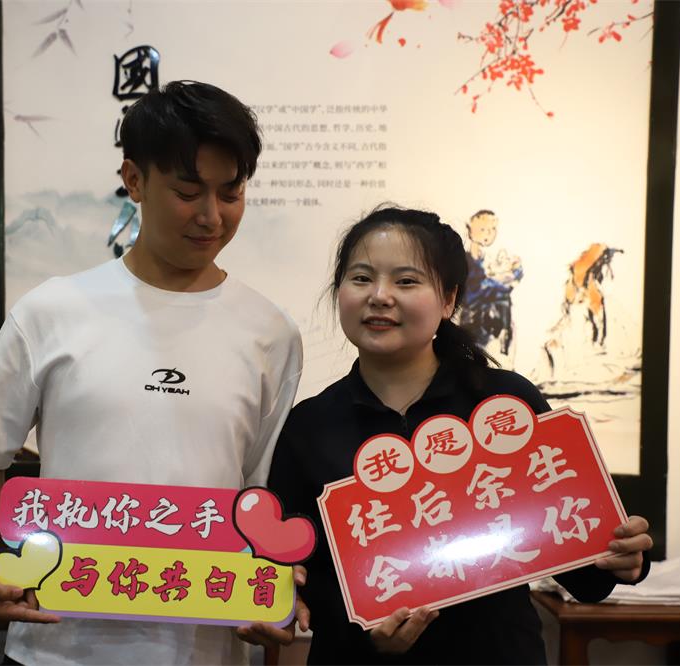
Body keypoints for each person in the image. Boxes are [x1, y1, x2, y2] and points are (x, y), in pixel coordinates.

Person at [0, 81, 304, 665]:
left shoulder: (271, 332)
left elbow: (261, 496)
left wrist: (274, 590)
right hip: (53, 648)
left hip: (203, 649)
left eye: (231, 193)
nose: (211, 216)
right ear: (134, 180)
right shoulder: (51, 311)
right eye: (187, 192)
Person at [267, 205, 652, 664]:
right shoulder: (309, 426)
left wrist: (625, 557)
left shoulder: (505, 404)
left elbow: (587, 577)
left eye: (406, 281)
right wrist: (364, 637)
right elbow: (298, 579)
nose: (380, 296)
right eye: (362, 278)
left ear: (448, 300)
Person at [460, 209, 522, 362]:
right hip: (474, 319)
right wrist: (503, 281)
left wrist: (513, 273)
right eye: (483, 229)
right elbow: (475, 290)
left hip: (492, 319)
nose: (488, 234)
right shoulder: (466, 261)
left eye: (492, 229)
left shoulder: (487, 259)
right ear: (470, 230)